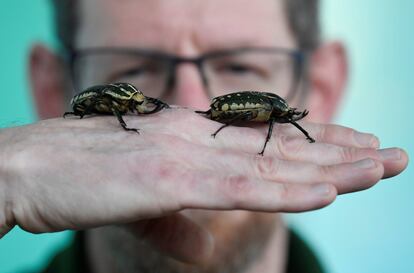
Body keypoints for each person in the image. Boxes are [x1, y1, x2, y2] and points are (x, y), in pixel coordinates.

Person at [0, 0, 408, 272]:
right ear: (51, 90)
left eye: (241, 66)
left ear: (322, 87)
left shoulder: (275, 113)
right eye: (133, 69)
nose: (186, 112)